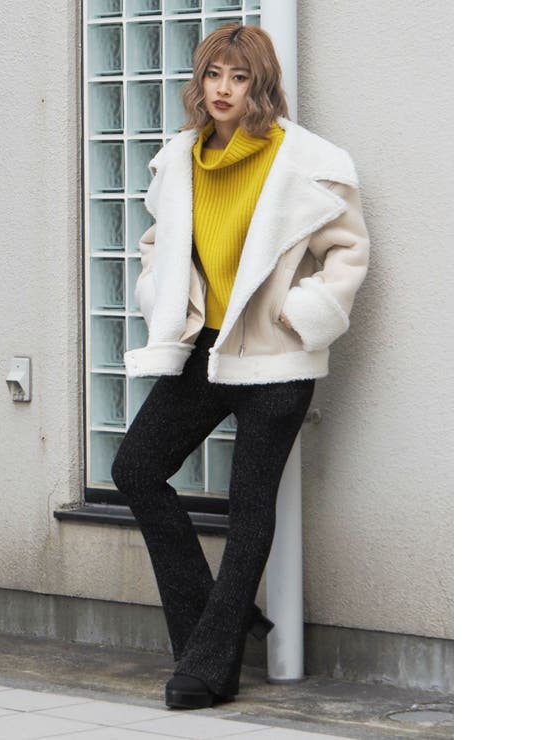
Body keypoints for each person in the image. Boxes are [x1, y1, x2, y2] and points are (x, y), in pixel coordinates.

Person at [111, 23, 370, 709]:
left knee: (249, 509)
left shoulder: (304, 161)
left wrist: (306, 312)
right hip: (206, 348)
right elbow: (158, 245)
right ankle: (219, 629)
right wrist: (158, 295)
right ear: (199, 83)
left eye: (239, 77)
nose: (223, 89)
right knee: (135, 468)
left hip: (278, 357)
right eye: (213, 75)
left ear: (261, 86)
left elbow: (349, 252)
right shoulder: (181, 160)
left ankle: (208, 666)